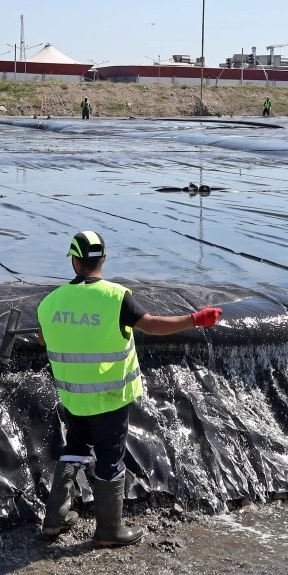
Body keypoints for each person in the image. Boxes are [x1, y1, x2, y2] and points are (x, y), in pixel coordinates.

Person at [37, 230, 222, 547]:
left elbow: (44, 339)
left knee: (76, 448)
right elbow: (151, 325)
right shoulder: (115, 297)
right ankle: (109, 531)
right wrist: (194, 319)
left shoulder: (50, 302)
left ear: (74, 261)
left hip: (73, 397)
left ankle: (55, 519)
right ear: (103, 259)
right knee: (110, 459)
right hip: (109, 398)